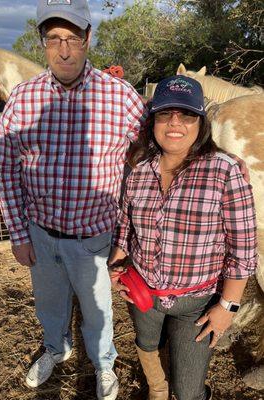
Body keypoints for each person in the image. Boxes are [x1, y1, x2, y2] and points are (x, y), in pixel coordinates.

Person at [0, 0, 147, 398]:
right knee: (49, 304)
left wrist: (127, 237)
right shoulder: (22, 99)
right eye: (53, 38)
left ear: (88, 39)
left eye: (73, 38)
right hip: (39, 234)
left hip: (94, 239)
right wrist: (18, 233)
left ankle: (103, 364)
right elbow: (7, 169)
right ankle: (55, 349)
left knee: (98, 312)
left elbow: (147, 163)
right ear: (42, 42)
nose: (64, 49)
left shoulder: (122, 98)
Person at [108, 75, 258, 400]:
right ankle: (157, 391)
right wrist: (115, 268)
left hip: (198, 303)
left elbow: (243, 250)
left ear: (200, 122)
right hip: (145, 295)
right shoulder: (138, 173)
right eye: (165, 113)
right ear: (153, 121)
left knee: (189, 391)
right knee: (147, 346)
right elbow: (124, 230)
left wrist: (227, 307)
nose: (175, 122)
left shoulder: (225, 171)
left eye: (187, 114)